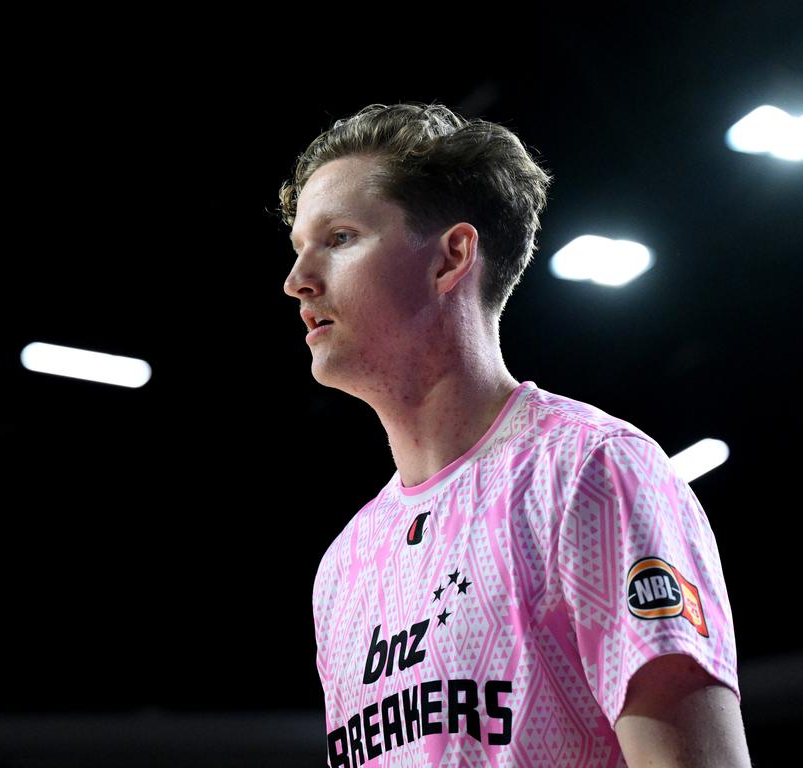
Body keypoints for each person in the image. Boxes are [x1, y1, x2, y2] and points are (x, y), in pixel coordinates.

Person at [280, 101, 752, 767]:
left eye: (339, 239)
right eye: (298, 249)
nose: (297, 281)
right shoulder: (342, 567)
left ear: (451, 258)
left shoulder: (592, 470)